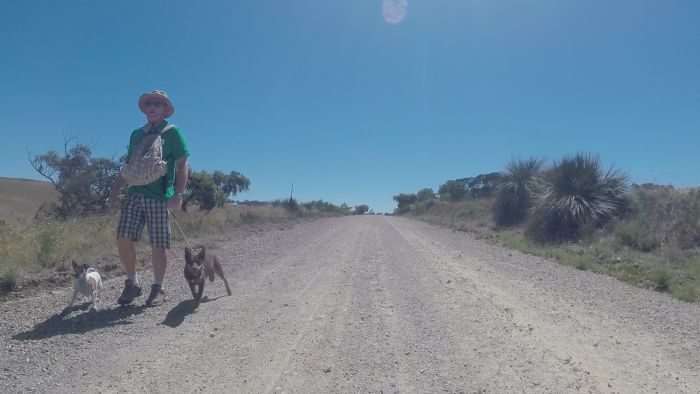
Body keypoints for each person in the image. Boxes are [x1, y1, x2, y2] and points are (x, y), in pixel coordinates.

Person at [108, 90, 189, 306]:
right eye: (149, 104)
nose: (152, 107)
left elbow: (182, 166)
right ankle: (132, 283)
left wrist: (178, 194)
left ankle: (158, 287)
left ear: (165, 109)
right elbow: (129, 165)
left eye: (158, 104)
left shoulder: (172, 134)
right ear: (145, 109)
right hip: (135, 193)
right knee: (123, 237)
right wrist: (115, 192)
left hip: (160, 196)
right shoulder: (137, 134)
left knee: (158, 244)